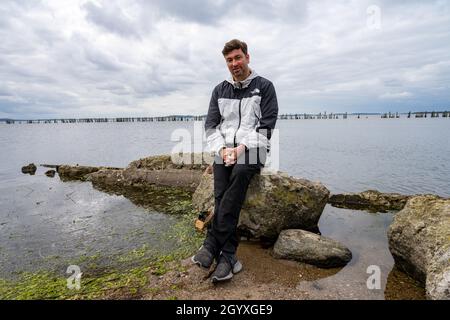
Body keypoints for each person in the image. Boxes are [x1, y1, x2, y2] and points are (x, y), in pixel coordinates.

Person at [192, 39, 278, 283]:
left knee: (240, 173)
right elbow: (210, 125)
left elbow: (267, 126)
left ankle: (212, 243)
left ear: (247, 57)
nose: (234, 64)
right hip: (224, 148)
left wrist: (240, 148)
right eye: (229, 60)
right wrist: (221, 149)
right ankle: (229, 256)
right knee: (221, 187)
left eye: (238, 58)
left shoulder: (265, 87)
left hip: (255, 147)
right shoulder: (219, 90)